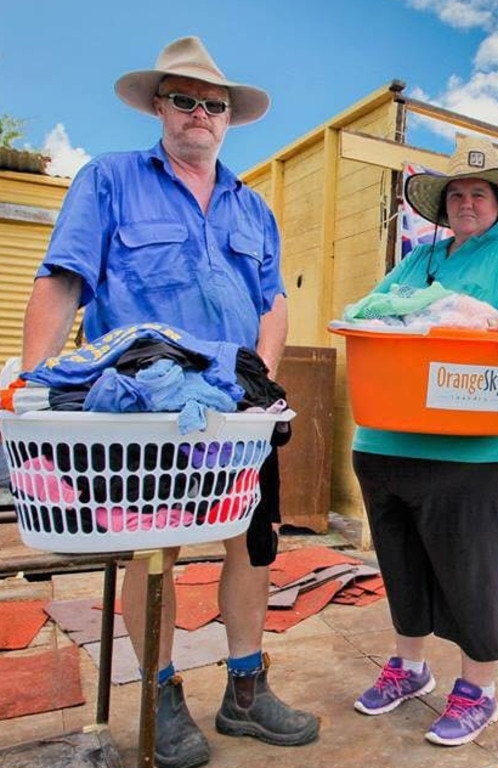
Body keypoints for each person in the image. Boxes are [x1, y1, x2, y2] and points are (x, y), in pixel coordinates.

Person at [19, 36, 319, 768]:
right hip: (143, 411)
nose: (199, 113)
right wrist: (29, 380)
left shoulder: (254, 207)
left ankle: (245, 691)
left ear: (228, 119)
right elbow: (63, 279)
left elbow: (272, 300)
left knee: (252, 542)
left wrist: (261, 378)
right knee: (152, 556)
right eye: (183, 99)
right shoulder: (111, 180)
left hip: (236, 412)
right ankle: (161, 695)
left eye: (212, 104)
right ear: (160, 106)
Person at [350, 136, 498, 746]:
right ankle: (410, 667)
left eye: (478, 192)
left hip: (476, 452)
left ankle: (479, 689)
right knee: (403, 564)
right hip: (388, 441)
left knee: (474, 571)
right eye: (455, 194)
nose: (466, 202)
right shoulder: (420, 259)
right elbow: (375, 308)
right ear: (441, 205)